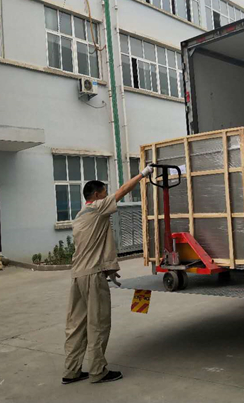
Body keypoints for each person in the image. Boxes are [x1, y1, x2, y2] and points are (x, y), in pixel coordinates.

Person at [62, 164, 154, 384]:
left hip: (77, 275)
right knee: (98, 323)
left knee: (76, 325)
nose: (107, 196)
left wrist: (109, 267)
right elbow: (123, 190)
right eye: (104, 192)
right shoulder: (97, 207)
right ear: (96, 195)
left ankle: (71, 371)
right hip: (93, 276)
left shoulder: (81, 214)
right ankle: (98, 371)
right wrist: (143, 174)